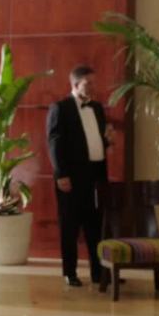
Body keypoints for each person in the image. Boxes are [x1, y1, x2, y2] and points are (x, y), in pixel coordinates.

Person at [47, 65, 113, 287]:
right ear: (76, 84)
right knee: (70, 225)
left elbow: (95, 140)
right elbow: (54, 143)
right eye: (88, 83)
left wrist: (107, 142)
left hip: (96, 174)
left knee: (96, 224)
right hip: (72, 177)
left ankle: (98, 272)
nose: (93, 86)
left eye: (94, 82)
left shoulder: (97, 108)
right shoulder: (60, 108)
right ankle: (70, 272)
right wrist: (61, 174)